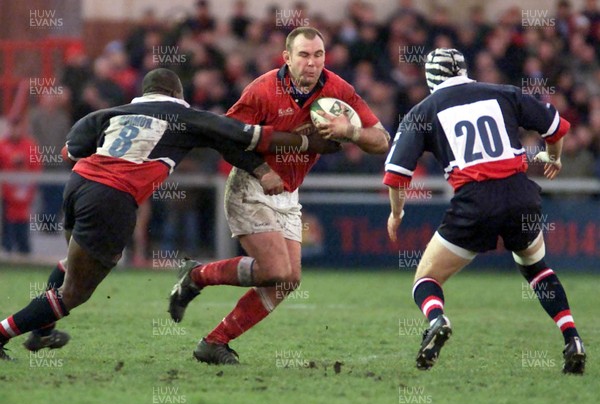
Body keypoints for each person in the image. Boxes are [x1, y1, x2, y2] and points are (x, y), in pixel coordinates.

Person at [0, 68, 337, 360]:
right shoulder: (186, 117)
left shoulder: (107, 114)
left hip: (77, 186)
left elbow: (69, 151)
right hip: (112, 198)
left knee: (71, 265)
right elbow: (246, 136)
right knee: (75, 292)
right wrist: (305, 144)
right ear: (178, 94)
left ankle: (42, 333)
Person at [168, 26, 390, 365]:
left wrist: (352, 131)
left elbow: (381, 140)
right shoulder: (262, 90)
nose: (312, 63)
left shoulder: (337, 89)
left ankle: (213, 341)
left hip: (288, 194)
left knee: (288, 281)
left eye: (318, 55)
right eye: (303, 55)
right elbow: (225, 138)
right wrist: (262, 170)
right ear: (286, 57)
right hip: (251, 186)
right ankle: (197, 276)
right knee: (275, 269)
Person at [384, 48, 586, 374]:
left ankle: (437, 320)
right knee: (537, 269)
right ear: (465, 69)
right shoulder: (501, 92)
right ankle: (572, 337)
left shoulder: (423, 111)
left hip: (476, 200)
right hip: (521, 193)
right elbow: (556, 127)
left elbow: (395, 175)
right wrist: (553, 157)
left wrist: (397, 213)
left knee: (427, 278)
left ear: (430, 78)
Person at [0, 119, 42, 255]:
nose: (14, 130)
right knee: (7, 237)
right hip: (6, 200)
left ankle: (25, 258)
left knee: (23, 237)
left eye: (17, 126)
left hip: (25, 200)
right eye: (12, 126)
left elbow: (37, 170)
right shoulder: (2, 145)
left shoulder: (30, 146)